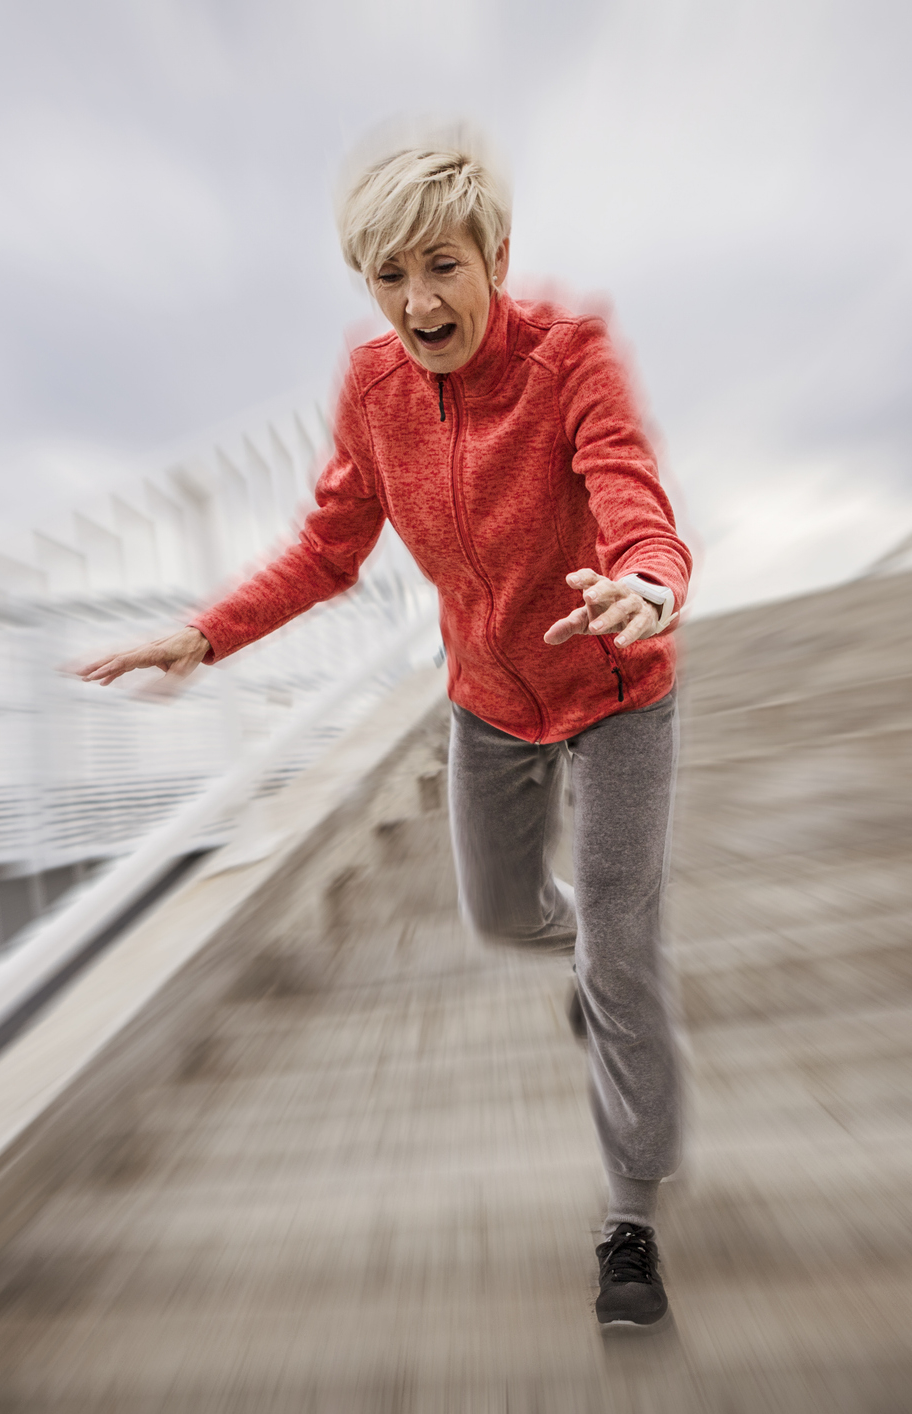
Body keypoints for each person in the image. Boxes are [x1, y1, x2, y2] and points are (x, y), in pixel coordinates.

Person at [73, 127, 690, 1330]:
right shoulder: (373, 390)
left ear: (494, 257)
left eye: (441, 267)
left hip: (618, 682)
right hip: (490, 697)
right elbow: (328, 548)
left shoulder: (570, 358)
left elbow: (630, 493)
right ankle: (580, 960)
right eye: (389, 278)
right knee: (505, 911)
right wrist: (206, 635)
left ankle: (630, 1222)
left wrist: (650, 583)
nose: (418, 301)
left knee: (625, 952)